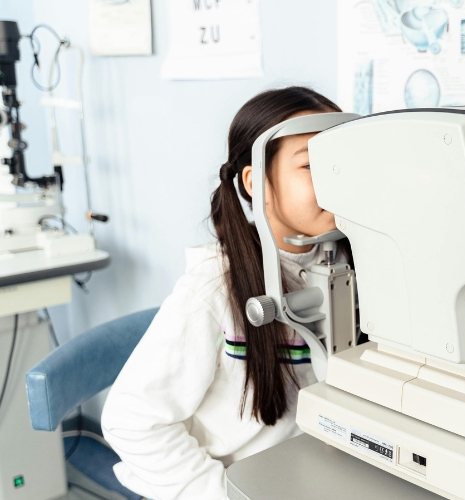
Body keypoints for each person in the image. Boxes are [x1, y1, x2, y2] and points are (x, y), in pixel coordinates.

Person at [101, 87, 348, 500]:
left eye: (343, 161)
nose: (337, 178)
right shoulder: (212, 291)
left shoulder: (350, 261)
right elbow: (132, 421)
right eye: (311, 164)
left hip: (308, 474)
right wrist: (223, 494)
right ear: (257, 183)